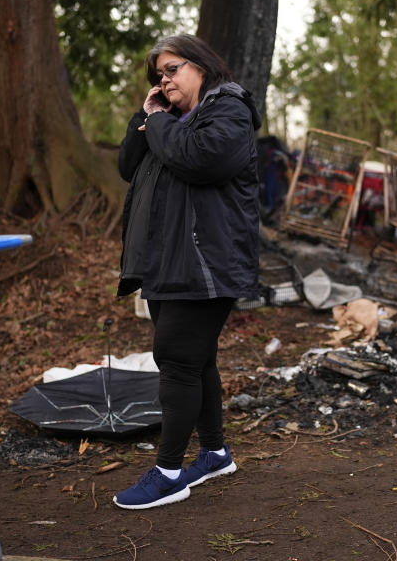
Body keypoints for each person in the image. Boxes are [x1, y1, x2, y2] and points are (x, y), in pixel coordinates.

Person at [113, 34, 260, 509]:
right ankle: (215, 454)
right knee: (197, 360)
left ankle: (169, 473)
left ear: (201, 66)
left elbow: (200, 159)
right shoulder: (168, 120)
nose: (165, 79)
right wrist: (147, 113)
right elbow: (126, 165)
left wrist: (160, 122)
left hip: (206, 261)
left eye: (173, 69)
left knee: (176, 357)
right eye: (159, 73)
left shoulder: (228, 111)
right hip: (166, 259)